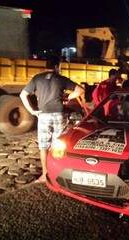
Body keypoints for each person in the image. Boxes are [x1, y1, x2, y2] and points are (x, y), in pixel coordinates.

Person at [20, 55, 84, 183]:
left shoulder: (37, 79)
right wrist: (67, 98)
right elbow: (80, 90)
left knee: (43, 146)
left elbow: (23, 94)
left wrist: (33, 111)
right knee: (58, 144)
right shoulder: (60, 78)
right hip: (58, 114)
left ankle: (45, 174)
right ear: (57, 66)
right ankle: (59, 173)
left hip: (43, 115)